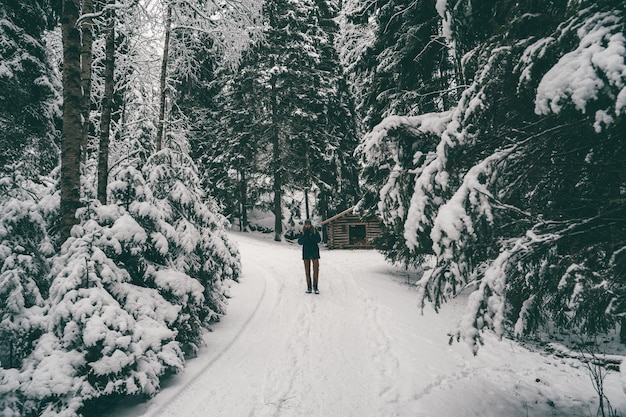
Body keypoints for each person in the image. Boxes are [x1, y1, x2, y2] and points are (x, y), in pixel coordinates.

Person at [298, 219, 321, 294]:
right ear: (304, 225)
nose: (307, 225)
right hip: (306, 253)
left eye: (308, 224)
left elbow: (319, 240)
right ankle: (309, 287)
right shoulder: (303, 232)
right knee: (307, 271)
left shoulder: (314, 231)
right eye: (306, 224)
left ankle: (315, 287)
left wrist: (312, 236)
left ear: (310, 224)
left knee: (316, 270)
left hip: (314, 253)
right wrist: (305, 237)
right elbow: (299, 242)